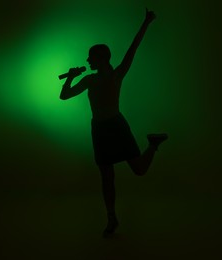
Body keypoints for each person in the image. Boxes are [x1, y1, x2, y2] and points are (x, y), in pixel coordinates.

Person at [59, 8, 168, 237]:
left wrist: (146, 22)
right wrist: (70, 77)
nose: (87, 60)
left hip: (117, 126)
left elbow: (133, 48)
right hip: (99, 130)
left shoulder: (117, 74)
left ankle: (153, 144)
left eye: (91, 57)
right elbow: (64, 96)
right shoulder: (88, 79)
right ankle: (112, 219)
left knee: (139, 170)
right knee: (106, 175)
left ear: (102, 59)